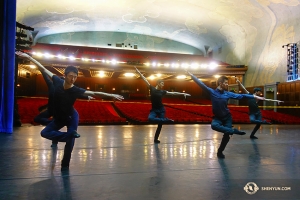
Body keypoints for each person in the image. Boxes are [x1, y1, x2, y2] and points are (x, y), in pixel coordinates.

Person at [16, 51, 124, 171]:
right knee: (45, 133)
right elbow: (42, 67)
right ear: (65, 75)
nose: (73, 79)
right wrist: (28, 57)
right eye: (71, 76)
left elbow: (94, 92)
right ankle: (68, 136)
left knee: (71, 141)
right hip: (59, 117)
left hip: (72, 116)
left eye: (75, 77)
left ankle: (65, 165)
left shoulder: (75, 89)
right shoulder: (56, 81)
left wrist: (111, 94)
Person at [186, 71, 266, 159]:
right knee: (214, 126)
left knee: (226, 136)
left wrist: (255, 97)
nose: (227, 85)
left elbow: (242, 96)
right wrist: (192, 76)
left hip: (227, 117)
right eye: (226, 83)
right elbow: (201, 84)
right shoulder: (212, 92)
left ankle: (220, 152)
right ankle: (233, 131)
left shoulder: (227, 94)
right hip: (218, 117)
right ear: (220, 83)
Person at [34, 69, 94, 147]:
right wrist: (42, 70)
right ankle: (50, 124)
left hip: (59, 111)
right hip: (51, 109)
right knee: (37, 119)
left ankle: (54, 142)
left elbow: (76, 92)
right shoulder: (52, 85)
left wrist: (87, 96)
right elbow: (46, 78)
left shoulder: (68, 90)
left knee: (54, 126)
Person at [135, 67, 191, 143]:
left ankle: (155, 139)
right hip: (154, 109)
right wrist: (139, 72)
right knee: (150, 119)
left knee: (160, 125)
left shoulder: (162, 91)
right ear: (158, 83)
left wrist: (183, 93)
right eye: (162, 83)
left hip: (161, 109)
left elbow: (173, 93)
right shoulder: (152, 89)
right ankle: (166, 120)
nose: (163, 85)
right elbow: (145, 80)